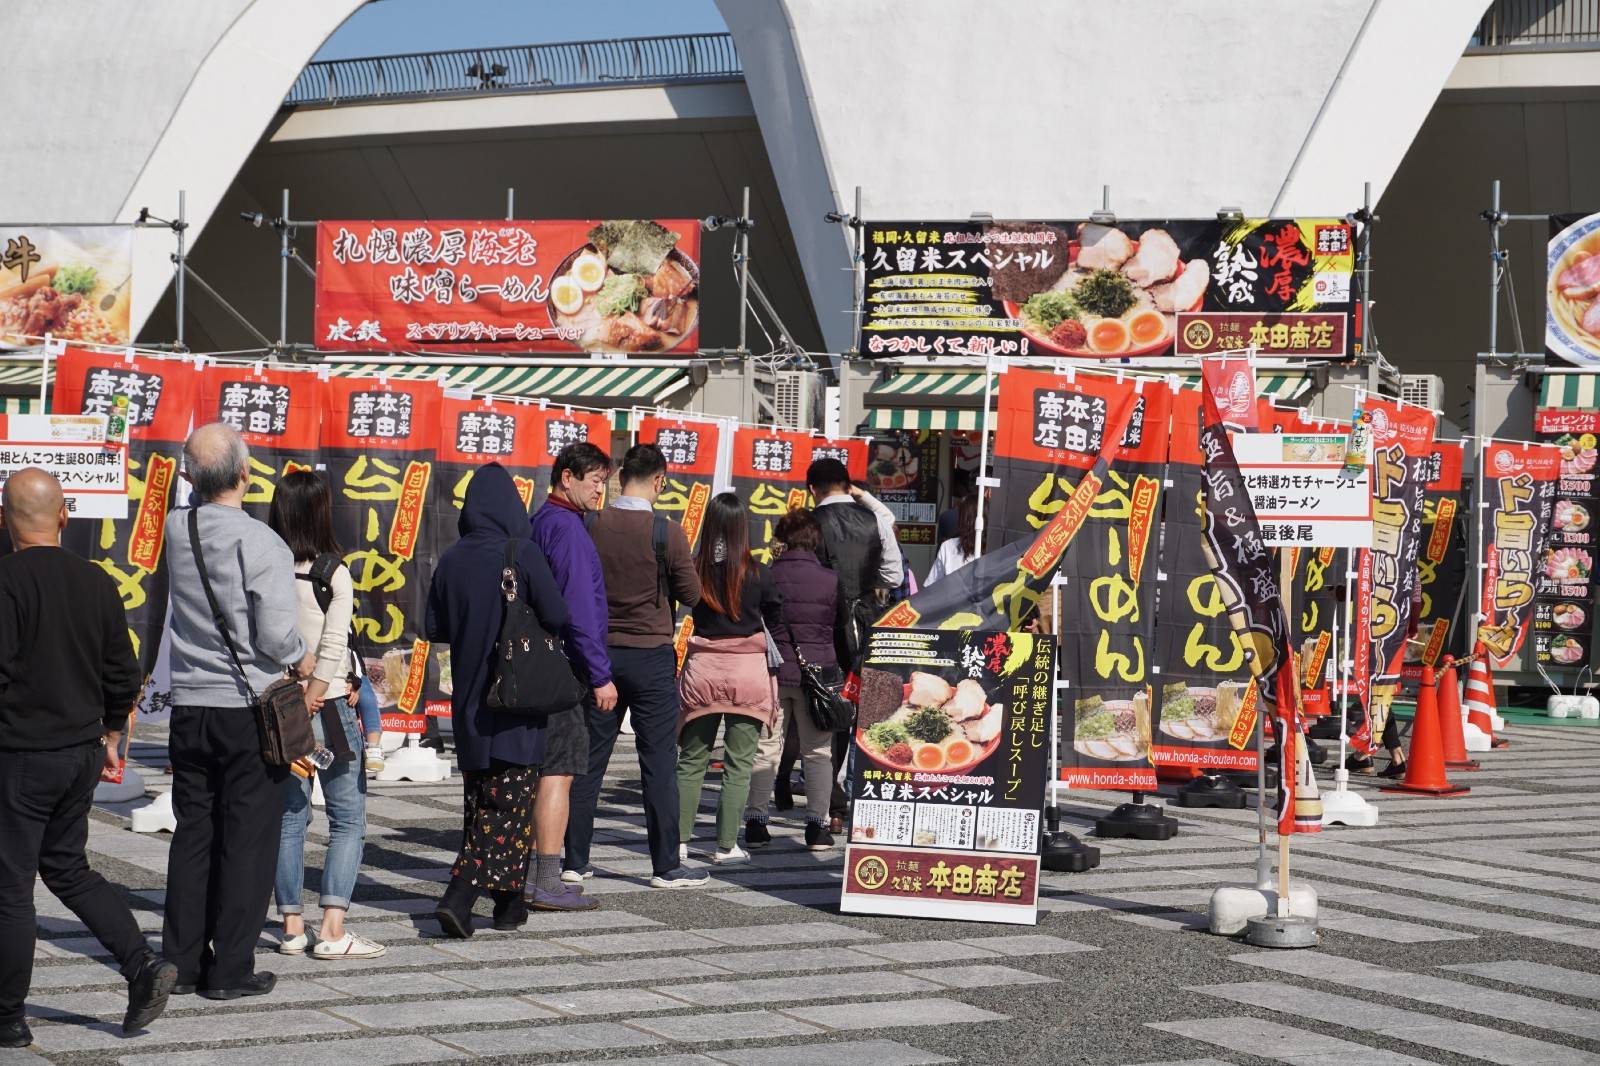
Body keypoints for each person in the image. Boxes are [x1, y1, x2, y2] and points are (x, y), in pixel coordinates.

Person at [0, 469, 178, 1046]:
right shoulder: (98, 582)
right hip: (81, 751)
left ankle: (7, 1017)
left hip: (21, 754)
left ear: (4, 519)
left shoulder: (4, 581)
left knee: (10, 887)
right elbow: (122, 673)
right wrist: (108, 733)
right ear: (63, 517)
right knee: (68, 868)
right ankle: (142, 966)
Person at [164, 423, 315, 1001]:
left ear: (187, 477)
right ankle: (230, 969)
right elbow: (277, 636)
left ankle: (179, 962)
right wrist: (302, 658)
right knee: (248, 839)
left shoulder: (178, 529)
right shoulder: (261, 542)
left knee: (194, 832)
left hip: (191, 705)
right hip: (247, 708)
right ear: (247, 477)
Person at [427, 463, 572, 937]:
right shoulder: (522, 553)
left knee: (486, 802)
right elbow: (556, 613)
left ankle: (509, 905)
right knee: (506, 805)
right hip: (515, 699)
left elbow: (434, 628)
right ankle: (460, 894)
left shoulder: (451, 559)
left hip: (469, 702)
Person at [566, 444, 707, 889]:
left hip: (599, 656)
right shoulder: (666, 531)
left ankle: (573, 860)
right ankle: (666, 866)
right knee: (659, 762)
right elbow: (693, 593)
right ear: (660, 481)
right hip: (650, 656)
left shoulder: (590, 523)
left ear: (619, 475)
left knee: (588, 760)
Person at [266, 471, 383, 960]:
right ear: (321, 512)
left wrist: (297, 690)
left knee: (290, 820)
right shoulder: (333, 571)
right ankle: (332, 929)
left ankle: (292, 925)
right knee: (347, 819)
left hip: (280, 707)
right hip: (329, 706)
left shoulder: (266, 565)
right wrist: (316, 691)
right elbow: (335, 643)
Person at [528, 442, 613, 911]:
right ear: (567, 478)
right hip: (565, 670)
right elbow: (580, 610)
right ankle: (546, 879)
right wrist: (600, 675)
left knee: (542, 772)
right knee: (558, 774)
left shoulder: (543, 521)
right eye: (595, 480)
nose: (600, 489)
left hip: (541, 667)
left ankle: (532, 875)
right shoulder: (567, 529)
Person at [677, 493, 782, 865]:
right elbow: (775, 613)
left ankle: (679, 841)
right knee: (739, 764)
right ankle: (726, 846)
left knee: (691, 761)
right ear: (742, 529)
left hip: (703, 670)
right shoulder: (759, 573)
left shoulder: (695, 569)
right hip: (747, 673)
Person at [805, 457, 903, 832]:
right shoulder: (874, 520)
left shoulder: (810, 523)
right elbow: (893, 575)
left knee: (820, 703)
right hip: (864, 622)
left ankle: (826, 796)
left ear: (812, 488)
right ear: (847, 485)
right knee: (856, 703)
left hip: (819, 623)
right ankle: (842, 801)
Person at [746, 508, 840, 851]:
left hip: (773, 673)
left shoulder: (765, 575)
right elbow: (839, 631)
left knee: (767, 747)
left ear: (781, 540)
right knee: (818, 753)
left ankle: (756, 822)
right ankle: (817, 827)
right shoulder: (830, 579)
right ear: (814, 540)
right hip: (818, 676)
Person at [926, 492, 980, 586]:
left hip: (952, 598)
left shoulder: (948, 547)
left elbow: (931, 586)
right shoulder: (998, 547)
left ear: (962, 519)